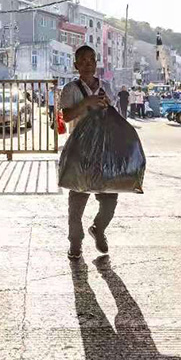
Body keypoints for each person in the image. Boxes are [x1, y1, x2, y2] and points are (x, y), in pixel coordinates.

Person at [60, 45, 119, 260]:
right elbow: (67, 116)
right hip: (80, 151)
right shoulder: (70, 89)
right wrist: (87, 102)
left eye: (91, 60)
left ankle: (98, 228)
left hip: (103, 151)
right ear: (76, 65)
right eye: (83, 61)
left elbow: (115, 117)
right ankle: (75, 243)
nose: (88, 64)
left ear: (96, 63)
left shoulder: (107, 87)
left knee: (110, 199)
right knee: (77, 202)